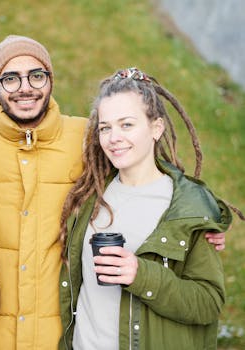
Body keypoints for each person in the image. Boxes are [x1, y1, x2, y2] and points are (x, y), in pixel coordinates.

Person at [0, 35, 228, 349]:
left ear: (50, 80)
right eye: (10, 78)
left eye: (36, 75)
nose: (25, 88)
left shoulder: (83, 139)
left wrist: (207, 220)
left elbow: (151, 167)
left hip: (54, 336)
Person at [58, 67, 244, 349]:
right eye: (105, 127)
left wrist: (139, 274)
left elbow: (208, 303)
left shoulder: (187, 207)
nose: (113, 137)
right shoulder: (88, 196)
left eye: (127, 125)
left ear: (156, 128)